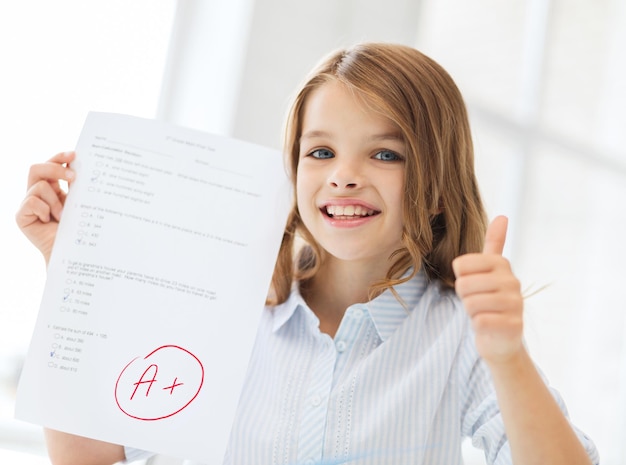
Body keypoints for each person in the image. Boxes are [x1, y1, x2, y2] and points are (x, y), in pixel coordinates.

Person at [17, 43, 598, 465]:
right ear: (292, 167)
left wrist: (507, 357)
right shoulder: (231, 309)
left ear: (439, 181)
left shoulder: (457, 335)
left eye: (385, 155)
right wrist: (69, 269)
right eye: (320, 151)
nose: (344, 177)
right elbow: (97, 460)